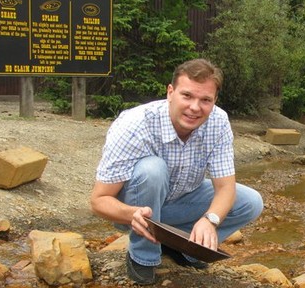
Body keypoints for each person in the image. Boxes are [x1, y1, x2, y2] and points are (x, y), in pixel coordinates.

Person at [90, 58, 264, 285]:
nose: (195, 107)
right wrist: (130, 214)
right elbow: (99, 200)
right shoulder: (134, 124)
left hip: (180, 200)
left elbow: (225, 188)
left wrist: (210, 220)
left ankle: (186, 248)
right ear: (170, 92)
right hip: (135, 210)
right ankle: (143, 256)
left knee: (251, 201)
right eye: (187, 96)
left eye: (205, 100)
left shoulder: (218, 122)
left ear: (215, 101)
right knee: (152, 169)